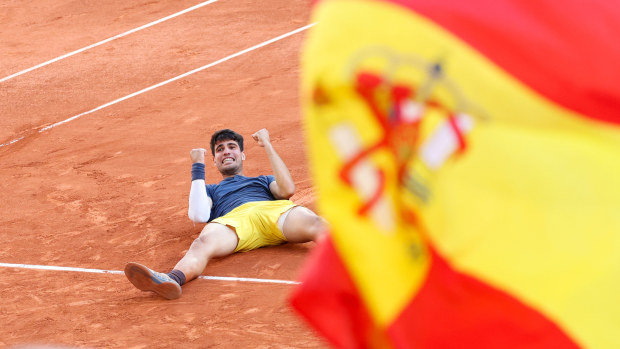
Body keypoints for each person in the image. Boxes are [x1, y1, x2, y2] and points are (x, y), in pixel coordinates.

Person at [124, 128, 327, 299]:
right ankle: (172, 279)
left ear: (242, 154)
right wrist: (197, 167)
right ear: (214, 161)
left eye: (232, 147)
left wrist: (267, 144)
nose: (226, 152)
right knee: (201, 244)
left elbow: (287, 190)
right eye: (220, 150)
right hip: (233, 224)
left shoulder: (263, 180)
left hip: (273, 213)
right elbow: (198, 215)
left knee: (317, 223)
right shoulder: (211, 190)